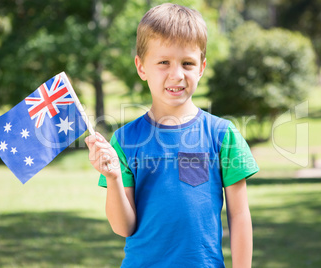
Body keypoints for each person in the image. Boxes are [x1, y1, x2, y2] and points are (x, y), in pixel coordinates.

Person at [85, 3, 259, 268]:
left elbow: (240, 216)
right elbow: (123, 227)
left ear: (201, 67)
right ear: (141, 67)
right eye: (163, 62)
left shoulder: (222, 135)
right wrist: (113, 178)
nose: (176, 74)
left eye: (187, 63)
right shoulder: (125, 140)